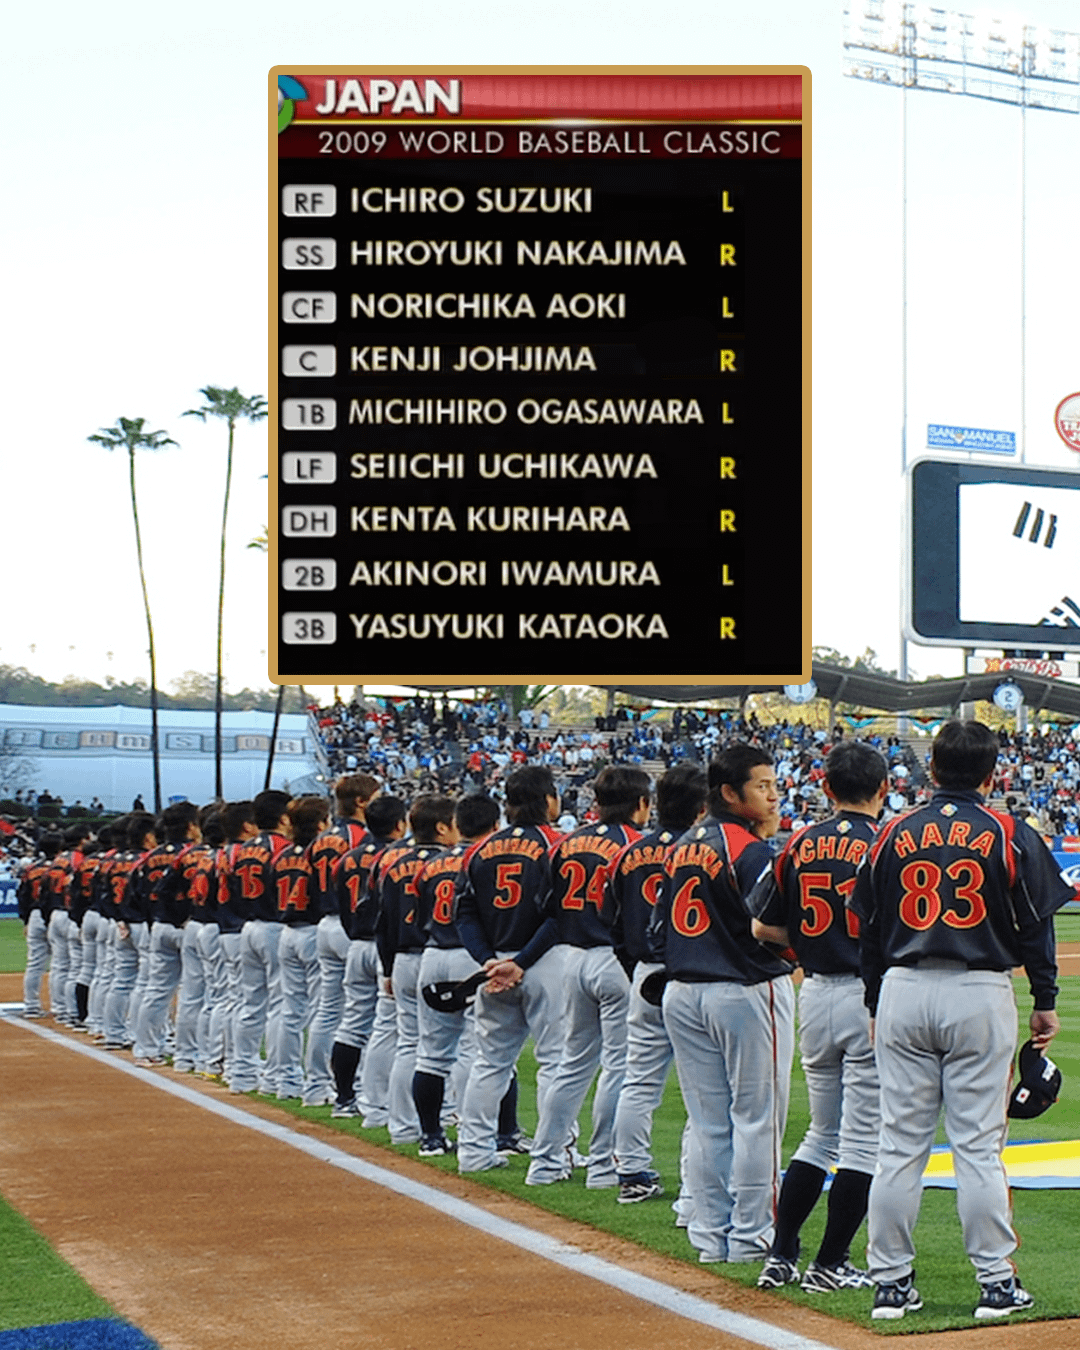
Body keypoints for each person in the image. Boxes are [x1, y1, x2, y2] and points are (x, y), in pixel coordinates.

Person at [851, 719, 1071, 1321]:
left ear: (931, 769)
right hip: (979, 991)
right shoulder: (1008, 831)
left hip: (902, 988)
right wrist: (1045, 999)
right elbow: (1037, 927)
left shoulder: (891, 831)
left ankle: (890, 1283)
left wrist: (873, 1002)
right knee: (978, 1147)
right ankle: (996, 1283)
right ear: (992, 774)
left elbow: (868, 928)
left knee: (899, 1144)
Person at [749, 740, 888, 1292]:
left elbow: (762, 927)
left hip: (815, 992)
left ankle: (781, 1254)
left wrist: (809, 943)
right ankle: (830, 1263)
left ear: (826, 787)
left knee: (820, 1133)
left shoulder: (799, 841)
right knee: (862, 1142)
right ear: (884, 788)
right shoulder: (886, 841)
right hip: (867, 996)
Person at [656, 743, 795, 1264]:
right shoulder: (750, 849)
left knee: (709, 1121)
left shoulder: (681, 845)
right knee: (758, 1120)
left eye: (774, 785)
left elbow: (655, 930)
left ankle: (710, 1235)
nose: (773, 795)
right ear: (730, 794)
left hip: (682, 990)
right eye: (763, 786)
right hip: (744, 988)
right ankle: (752, 1236)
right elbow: (773, 927)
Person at [525, 766, 651, 1188]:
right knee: (618, 1066)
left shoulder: (566, 843)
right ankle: (602, 1166)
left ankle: (544, 1163)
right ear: (641, 803)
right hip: (614, 960)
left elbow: (546, 908)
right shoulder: (637, 846)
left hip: (572, 957)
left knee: (572, 1065)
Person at [455, 764, 564, 1174]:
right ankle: (554, 1155)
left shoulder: (479, 849)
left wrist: (488, 960)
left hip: (495, 964)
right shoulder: (557, 845)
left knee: (490, 1062)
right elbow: (559, 916)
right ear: (548, 800)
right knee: (555, 1062)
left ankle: (473, 1153)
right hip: (544, 961)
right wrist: (521, 962)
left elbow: (464, 913)